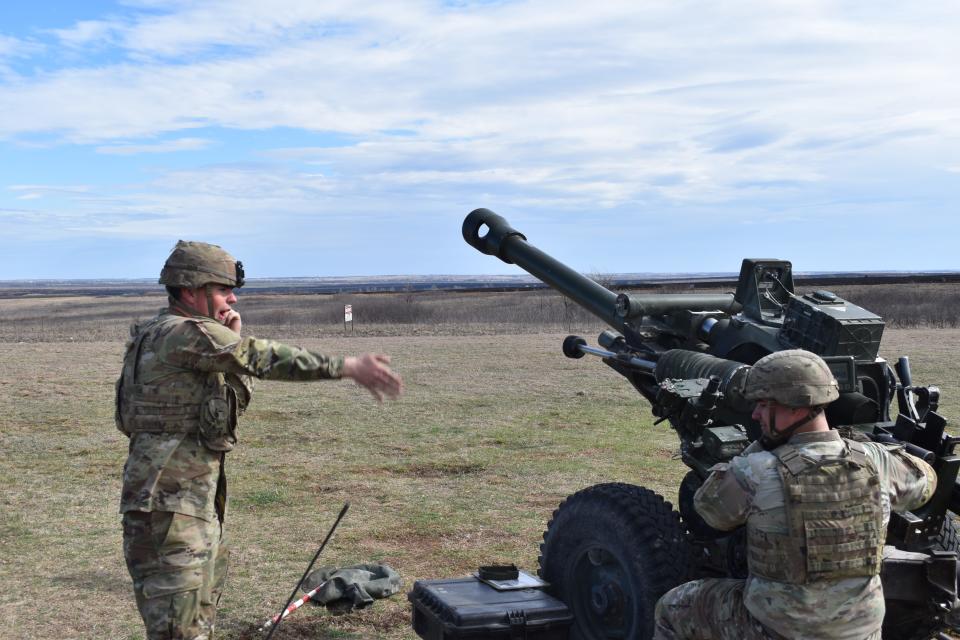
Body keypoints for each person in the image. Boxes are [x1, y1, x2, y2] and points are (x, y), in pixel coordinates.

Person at [116, 240, 403, 640]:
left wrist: (230, 340)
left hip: (189, 504)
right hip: (169, 511)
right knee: (178, 631)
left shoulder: (170, 336)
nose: (231, 298)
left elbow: (226, 410)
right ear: (189, 290)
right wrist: (347, 366)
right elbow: (261, 357)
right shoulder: (181, 334)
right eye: (221, 289)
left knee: (196, 624)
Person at [653, 349, 937, 640]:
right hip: (860, 632)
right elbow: (925, 483)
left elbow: (707, 510)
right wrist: (866, 447)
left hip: (776, 629)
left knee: (671, 608)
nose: (755, 414)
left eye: (764, 405)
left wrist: (758, 447)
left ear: (795, 406)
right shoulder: (876, 462)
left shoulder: (758, 470)